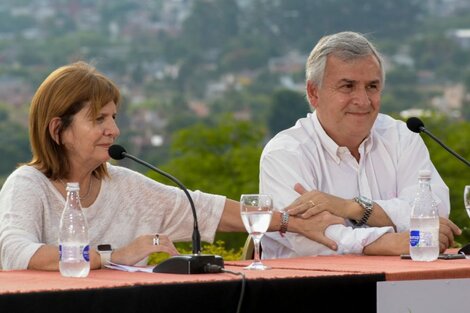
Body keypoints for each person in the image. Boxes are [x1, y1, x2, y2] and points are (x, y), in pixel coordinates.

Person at [0, 61, 343, 271]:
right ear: (58, 129)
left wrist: (291, 223)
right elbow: (18, 252)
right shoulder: (28, 184)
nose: (114, 130)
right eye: (99, 119)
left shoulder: (124, 184)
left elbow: (207, 210)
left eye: (114, 117)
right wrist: (116, 256)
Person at [259, 31, 461, 259]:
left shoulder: (402, 136)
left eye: (372, 87)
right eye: (348, 86)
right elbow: (309, 238)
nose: (363, 100)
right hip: (309, 289)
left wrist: (353, 208)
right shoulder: (285, 153)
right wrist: (387, 242)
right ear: (313, 93)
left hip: (400, 286)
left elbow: (434, 211)